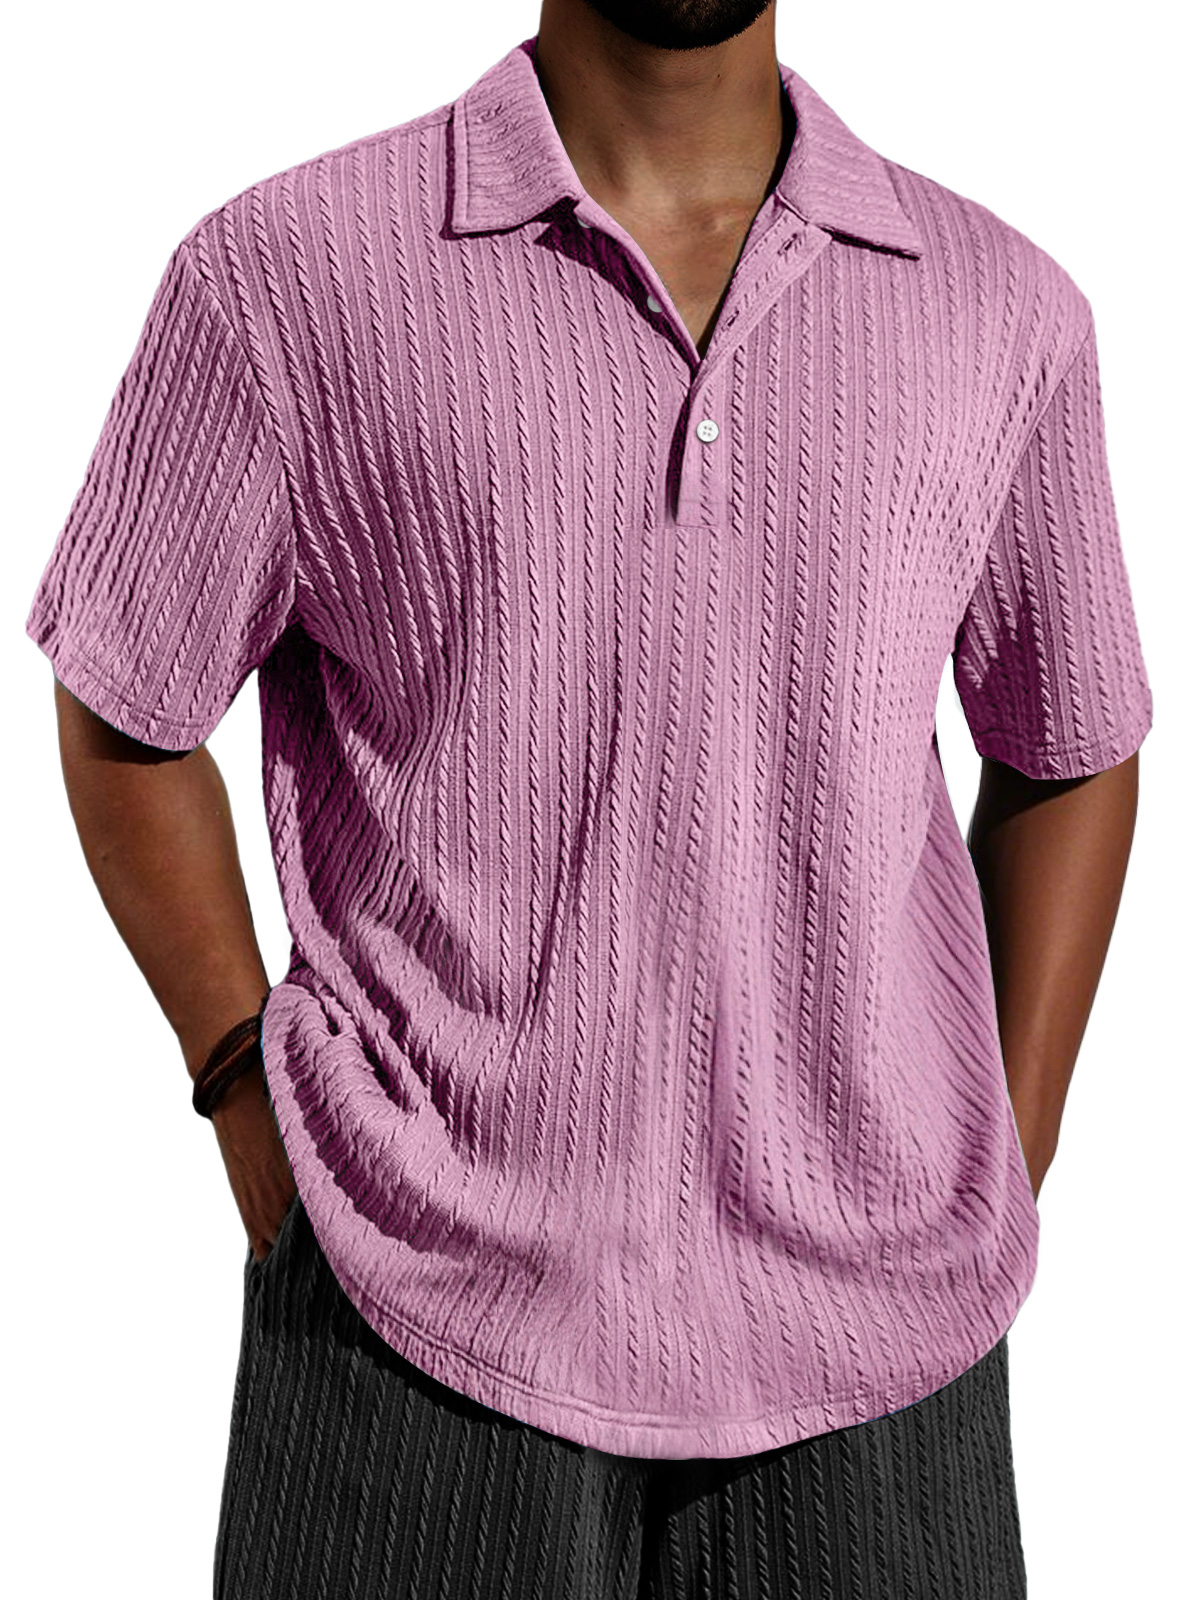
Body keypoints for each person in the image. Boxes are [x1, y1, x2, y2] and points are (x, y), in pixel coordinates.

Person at [26, 0, 1152, 1595]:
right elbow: (126, 699)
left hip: (887, 1339)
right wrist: (235, 1078)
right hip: (408, 1306)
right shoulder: (286, 276)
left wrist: (1001, 1153)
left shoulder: (999, 307)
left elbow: (1072, 739)